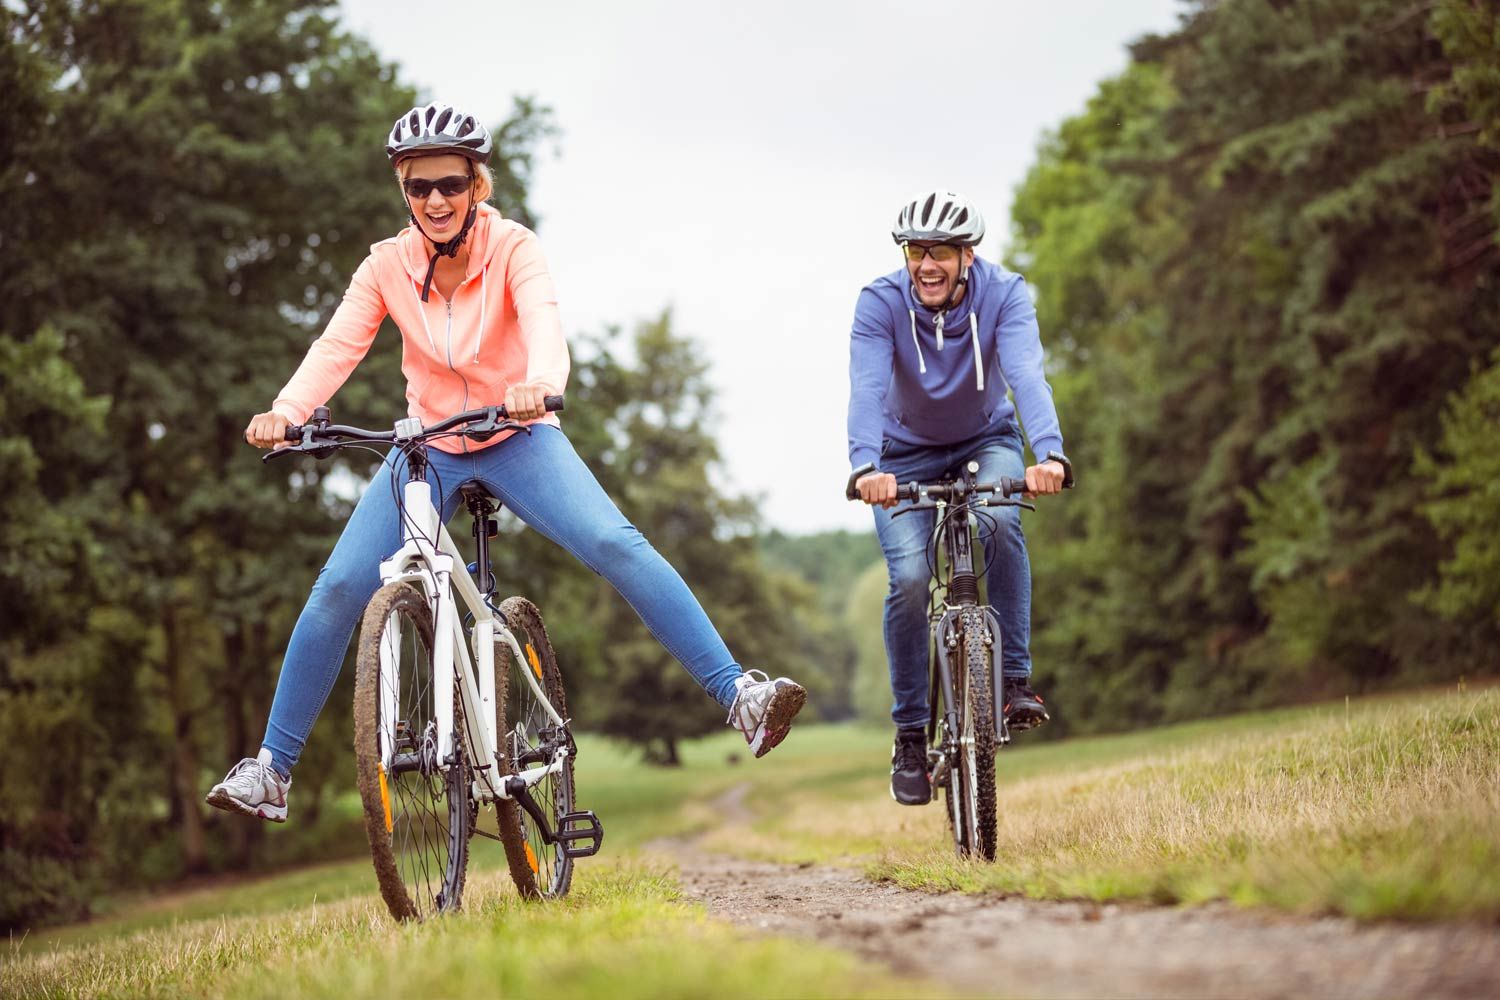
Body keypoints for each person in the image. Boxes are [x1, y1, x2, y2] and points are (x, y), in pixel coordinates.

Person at [207, 102, 805, 822]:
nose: (435, 200)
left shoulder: (515, 247)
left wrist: (540, 385)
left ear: (476, 185)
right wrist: (287, 411)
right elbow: (336, 348)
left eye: (451, 185)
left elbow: (546, 324)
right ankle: (273, 769)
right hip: (428, 447)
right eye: (419, 186)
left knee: (615, 543)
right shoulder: (385, 265)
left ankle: (738, 694)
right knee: (337, 586)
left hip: (518, 433)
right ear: (403, 187)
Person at [847, 190, 1070, 807]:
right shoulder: (879, 304)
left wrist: (1049, 453)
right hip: (898, 458)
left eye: (940, 251)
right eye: (917, 251)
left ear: (967, 255)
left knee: (1001, 521)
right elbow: (866, 387)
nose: (926, 265)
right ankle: (912, 734)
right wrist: (865, 465)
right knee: (913, 578)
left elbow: (1026, 373)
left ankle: (1016, 682)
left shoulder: (1006, 294)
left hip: (986, 439)